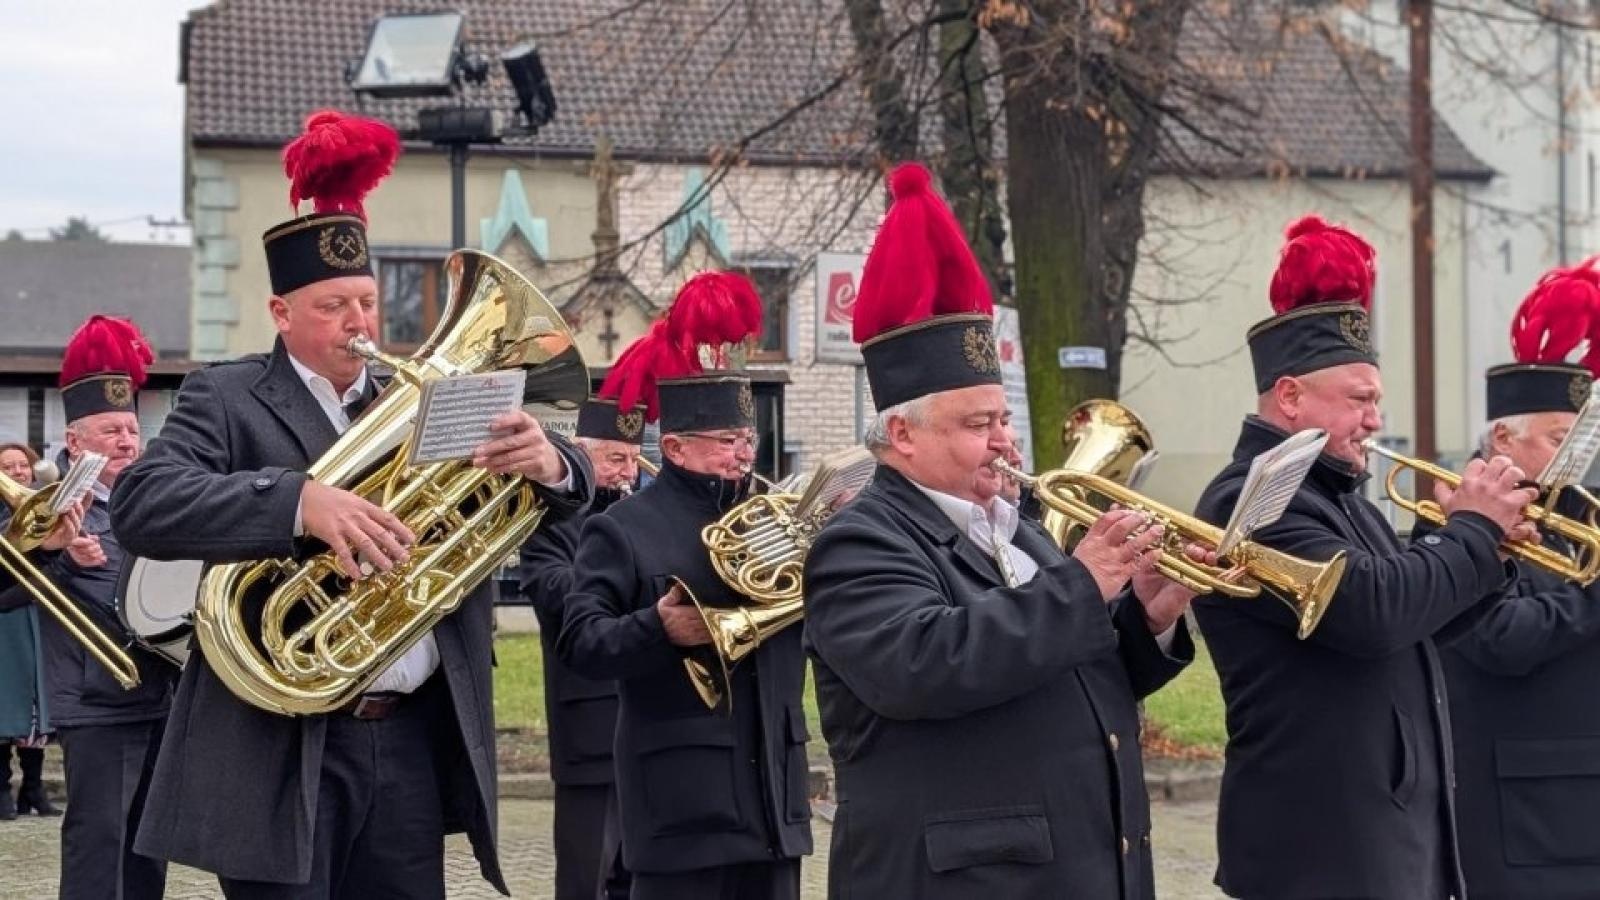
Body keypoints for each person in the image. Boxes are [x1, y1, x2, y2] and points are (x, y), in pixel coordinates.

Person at [109, 110, 592, 900]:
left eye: (367, 301)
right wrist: (298, 502)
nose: (359, 322)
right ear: (281, 314)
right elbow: (142, 503)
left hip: (409, 738)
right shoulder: (225, 397)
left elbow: (564, 490)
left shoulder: (424, 395)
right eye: (333, 305)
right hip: (281, 749)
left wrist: (554, 465)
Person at [802, 163, 1197, 900]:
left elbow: (1074, 671)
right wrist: (1083, 584)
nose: (1005, 442)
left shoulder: (1021, 530)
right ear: (902, 435)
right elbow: (929, 665)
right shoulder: (860, 543)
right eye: (978, 423)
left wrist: (1147, 617)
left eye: (1004, 418)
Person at [1190, 215, 1538, 900]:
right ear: (1291, 396)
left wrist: (1490, 557)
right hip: (1319, 846)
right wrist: (1468, 533)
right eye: (1360, 400)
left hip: (1373, 833)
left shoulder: (1339, 497)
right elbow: (1372, 611)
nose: (1376, 420)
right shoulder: (1256, 497)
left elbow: (1418, 622)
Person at [557, 272, 812, 900]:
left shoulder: (772, 516)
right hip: (681, 805)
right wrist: (658, 627)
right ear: (673, 447)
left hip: (775, 799)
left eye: (748, 440)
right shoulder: (622, 528)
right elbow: (580, 641)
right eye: (726, 442)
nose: (744, 455)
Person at [1439, 260, 1600, 900]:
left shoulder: (1579, 513)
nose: (1578, 458)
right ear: (1504, 436)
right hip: (1521, 814)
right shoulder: (1456, 517)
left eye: (1583, 442)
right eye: (1562, 439)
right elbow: (1500, 636)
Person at [0, 318, 177, 898]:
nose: (127, 441)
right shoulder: (45, 515)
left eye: (132, 429)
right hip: (97, 704)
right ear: (75, 443)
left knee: (149, 850)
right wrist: (57, 554)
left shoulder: (153, 501)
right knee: (98, 849)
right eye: (111, 431)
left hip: (162, 694)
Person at [518, 397, 643, 900]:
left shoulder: (641, 515)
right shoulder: (551, 518)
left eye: (633, 459)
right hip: (589, 722)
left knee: (640, 877)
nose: (627, 472)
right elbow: (550, 589)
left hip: (649, 723)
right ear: (581, 453)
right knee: (585, 876)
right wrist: (631, 584)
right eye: (615, 458)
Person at [0, 441, 55, 822]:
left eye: (23, 465)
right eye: (8, 467)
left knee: (38, 705)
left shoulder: (42, 509)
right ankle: (2, 787)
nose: (18, 472)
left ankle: (33, 788)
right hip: (6, 617)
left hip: (36, 613)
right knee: (7, 703)